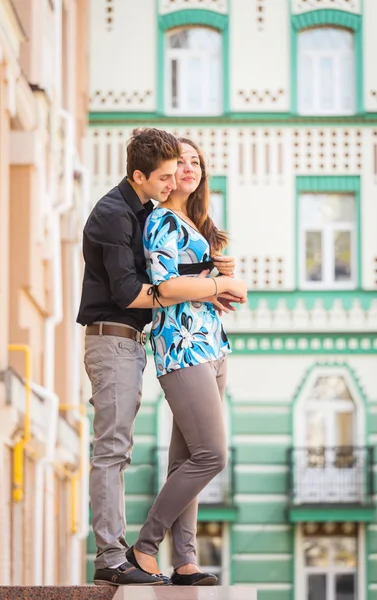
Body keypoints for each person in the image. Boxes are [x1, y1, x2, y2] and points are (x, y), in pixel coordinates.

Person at [77, 128, 239, 587]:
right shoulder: (118, 215)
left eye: (185, 169)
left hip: (150, 340)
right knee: (117, 450)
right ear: (140, 175)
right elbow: (138, 291)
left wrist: (209, 277)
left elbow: (169, 277)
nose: (175, 180)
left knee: (181, 456)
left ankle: (181, 560)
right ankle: (122, 554)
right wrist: (212, 286)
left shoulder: (143, 211)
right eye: (167, 174)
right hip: (124, 338)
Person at [126, 138, 247, 586]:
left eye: (196, 161)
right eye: (181, 161)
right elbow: (166, 287)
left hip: (211, 347)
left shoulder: (194, 226)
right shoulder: (160, 220)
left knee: (187, 460)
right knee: (212, 455)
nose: (190, 168)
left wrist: (220, 279)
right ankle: (144, 545)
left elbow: (196, 284)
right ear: (166, 170)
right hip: (181, 347)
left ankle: (186, 561)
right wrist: (222, 285)